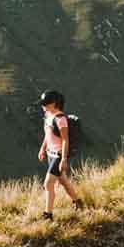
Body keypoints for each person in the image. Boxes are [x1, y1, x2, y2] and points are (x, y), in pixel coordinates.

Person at [35, 90, 83, 219]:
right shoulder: (48, 116)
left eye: (46, 103)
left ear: (54, 103)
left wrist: (63, 159)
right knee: (63, 181)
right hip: (51, 154)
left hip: (58, 155)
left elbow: (65, 139)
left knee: (48, 184)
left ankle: (48, 214)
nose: (43, 106)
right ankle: (78, 202)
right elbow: (48, 135)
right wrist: (42, 149)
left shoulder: (60, 119)